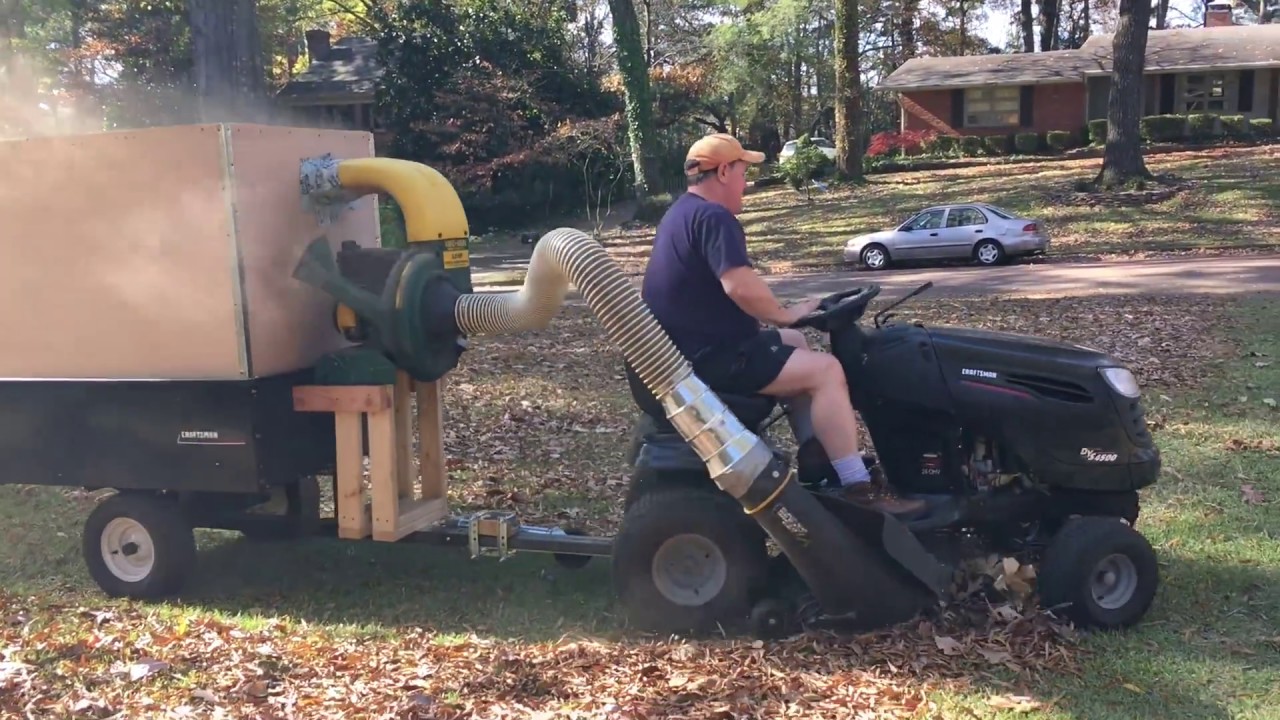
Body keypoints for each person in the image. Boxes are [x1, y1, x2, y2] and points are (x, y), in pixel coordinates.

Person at [640, 133, 925, 517]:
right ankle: (857, 485)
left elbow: (734, 288)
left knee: (795, 341)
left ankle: (816, 458)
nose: (747, 183)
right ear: (723, 171)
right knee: (827, 371)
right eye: (743, 172)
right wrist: (783, 312)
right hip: (712, 359)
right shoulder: (714, 217)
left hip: (693, 350)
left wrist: (790, 314)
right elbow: (738, 285)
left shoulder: (681, 213)